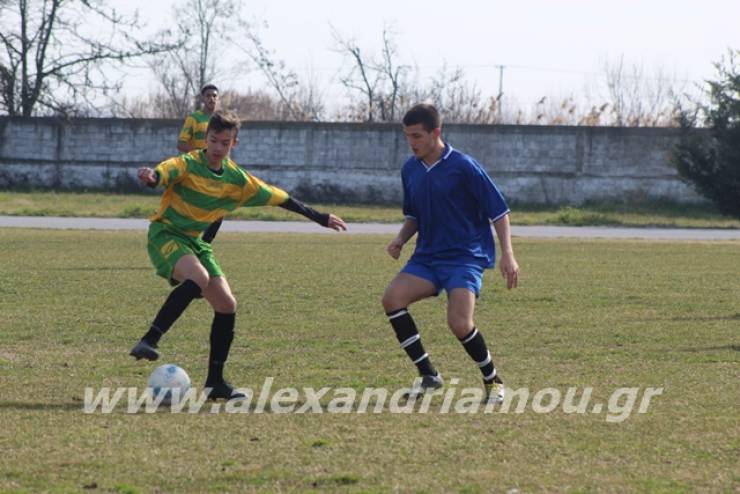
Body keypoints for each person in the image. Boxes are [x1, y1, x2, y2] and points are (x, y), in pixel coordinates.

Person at [130, 110, 347, 400]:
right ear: (206, 139)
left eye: (225, 142)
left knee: (226, 304)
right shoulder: (190, 163)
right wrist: (153, 176)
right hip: (166, 234)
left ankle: (215, 383)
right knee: (199, 277)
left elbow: (280, 197)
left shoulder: (238, 180)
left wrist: (320, 217)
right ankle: (150, 339)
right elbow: (167, 170)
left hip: (195, 242)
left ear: (234, 143)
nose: (218, 148)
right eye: (213, 140)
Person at [381, 103, 519, 404]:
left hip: (464, 257)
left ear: (436, 133)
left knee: (459, 322)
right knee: (392, 299)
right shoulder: (410, 169)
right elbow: (414, 214)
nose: (412, 143)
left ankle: (493, 380)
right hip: (427, 257)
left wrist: (508, 253)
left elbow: (499, 212)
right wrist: (401, 239)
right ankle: (428, 375)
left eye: (417, 136)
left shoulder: (464, 166)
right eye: (407, 136)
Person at [177, 84, 223, 244]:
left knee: (221, 207)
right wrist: (200, 155)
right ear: (203, 98)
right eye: (208, 95)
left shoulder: (221, 120)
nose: (212, 98)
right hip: (198, 170)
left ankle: (205, 244)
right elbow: (181, 144)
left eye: (214, 95)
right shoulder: (194, 119)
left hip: (217, 171)